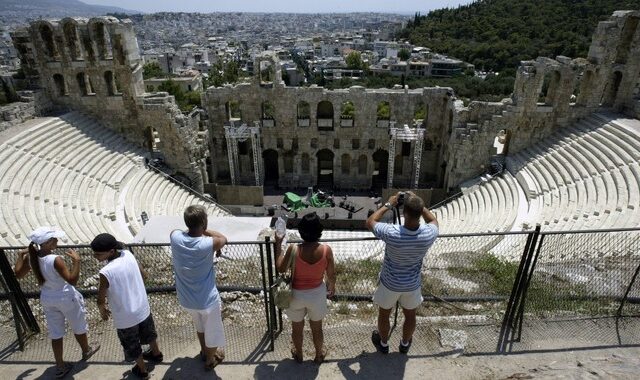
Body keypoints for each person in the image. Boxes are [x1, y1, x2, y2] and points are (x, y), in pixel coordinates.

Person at [365, 191, 438, 354]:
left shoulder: (392, 233)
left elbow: (370, 222)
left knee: (384, 315)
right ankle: (405, 343)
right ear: (420, 214)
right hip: (412, 284)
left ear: (404, 213)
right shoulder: (428, 234)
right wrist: (419, 204)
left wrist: (388, 204)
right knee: (410, 315)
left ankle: (383, 344)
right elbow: (433, 220)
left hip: (389, 283)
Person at [26, 227, 100, 379]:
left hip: (47, 298)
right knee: (78, 325)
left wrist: (21, 256)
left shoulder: (32, 257)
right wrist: (77, 261)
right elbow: (72, 280)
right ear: (46, 243)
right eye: (54, 239)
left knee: (56, 333)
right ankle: (86, 351)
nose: (57, 241)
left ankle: (60, 366)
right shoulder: (55, 259)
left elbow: (19, 273)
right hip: (65, 297)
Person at [91, 233, 162, 380]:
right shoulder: (128, 254)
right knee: (149, 334)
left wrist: (102, 311)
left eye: (98, 254)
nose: (95, 256)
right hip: (142, 307)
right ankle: (156, 354)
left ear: (111, 251)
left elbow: (100, 298)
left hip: (125, 316)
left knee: (132, 344)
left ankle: (142, 370)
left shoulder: (105, 272)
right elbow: (144, 275)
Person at [170, 205, 227, 370]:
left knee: (200, 327)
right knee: (213, 332)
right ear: (204, 222)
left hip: (187, 299)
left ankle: (204, 351)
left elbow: (176, 230)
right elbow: (223, 238)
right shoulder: (207, 243)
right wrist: (205, 230)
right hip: (207, 300)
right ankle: (210, 359)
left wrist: (197, 228)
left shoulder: (175, 237)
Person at [274, 212, 336, 364]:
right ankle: (318, 355)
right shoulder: (326, 250)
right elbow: (331, 274)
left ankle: (299, 354)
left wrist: (278, 245)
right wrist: (332, 286)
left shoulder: (294, 249)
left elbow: (281, 268)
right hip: (317, 294)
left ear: (301, 231)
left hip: (296, 294)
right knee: (317, 328)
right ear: (319, 231)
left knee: (297, 329)